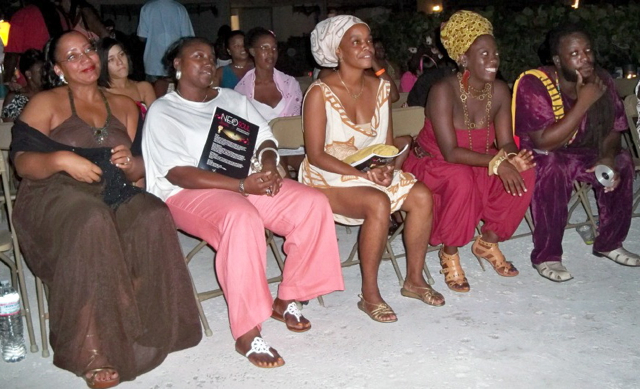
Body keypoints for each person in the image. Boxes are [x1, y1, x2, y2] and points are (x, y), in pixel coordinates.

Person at [10, 31, 202, 388]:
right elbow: (22, 163)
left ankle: (143, 326)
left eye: (87, 50)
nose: (85, 58)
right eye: (72, 56)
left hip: (112, 190)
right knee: (91, 221)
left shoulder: (125, 106)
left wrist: (131, 164)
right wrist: (61, 158)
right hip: (53, 194)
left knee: (153, 214)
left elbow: (141, 168)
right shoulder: (46, 103)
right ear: (59, 68)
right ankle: (93, 348)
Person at [142, 37, 344, 368]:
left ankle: (289, 296)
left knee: (311, 203)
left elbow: (265, 137)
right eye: (197, 57)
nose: (208, 63)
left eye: (210, 56)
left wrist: (267, 164)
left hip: (246, 181)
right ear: (177, 65)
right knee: (242, 217)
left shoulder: (231, 99)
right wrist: (239, 185)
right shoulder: (164, 110)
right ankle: (247, 331)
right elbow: (177, 174)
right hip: (189, 194)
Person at [301, 16, 443, 323]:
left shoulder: (381, 87)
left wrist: (386, 168)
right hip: (328, 175)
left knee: (421, 195)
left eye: (368, 40)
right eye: (356, 41)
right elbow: (315, 155)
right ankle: (370, 295)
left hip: (370, 168)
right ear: (337, 51)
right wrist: (364, 175)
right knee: (377, 203)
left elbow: (387, 143)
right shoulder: (319, 93)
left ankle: (414, 281)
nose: (367, 47)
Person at [402, 11, 535, 293]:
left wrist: (512, 157)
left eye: (495, 53)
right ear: (463, 59)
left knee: (528, 173)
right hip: (434, 164)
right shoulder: (443, 91)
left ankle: (488, 241)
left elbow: (505, 142)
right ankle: (449, 252)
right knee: (461, 178)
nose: (494, 60)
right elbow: (450, 153)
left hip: (478, 160)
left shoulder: (499, 90)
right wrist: (499, 162)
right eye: (484, 54)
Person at [513, 24, 639, 281]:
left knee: (623, 161)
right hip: (544, 153)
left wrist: (607, 156)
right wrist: (584, 102)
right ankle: (547, 255)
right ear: (558, 60)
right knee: (554, 167)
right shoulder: (535, 83)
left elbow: (615, 129)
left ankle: (609, 242)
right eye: (575, 54)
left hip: (587, 151)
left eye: (588, 50)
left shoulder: (601, 80)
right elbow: (544, 142)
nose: (585, 58)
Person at [234, 27, 303, 175]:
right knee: (280, 171)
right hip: (261, 149)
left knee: (313, 170)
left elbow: (295, 124)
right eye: (264, 48)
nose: (271, 53)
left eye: (274, 48)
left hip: (291, 147)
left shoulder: (290, 84)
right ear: (252, 51)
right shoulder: (241, 92)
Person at [3, 0, 67, 89]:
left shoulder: (21, 16)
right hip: (58, 77)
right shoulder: (58, 13)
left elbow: (12, 55)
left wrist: (6, 82)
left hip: (31, 84)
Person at [137, 0, 194, 96]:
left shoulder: (147, 8)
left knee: (153, 99)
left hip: (153, 64)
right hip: (176, 63)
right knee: (178, 99)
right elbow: (188, 38)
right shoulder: (179, 8)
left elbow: (141, 37)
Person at [98, 37, 156, 117]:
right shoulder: (102, 94)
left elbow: (156, 121)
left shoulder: (143, 88)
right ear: (102, 65)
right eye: (111, 59)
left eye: (121, 55)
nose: (120, 62)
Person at [2, 49, 44, 121]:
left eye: (45, 70)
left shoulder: (50, 94)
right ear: (29, 74)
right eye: (40, 71)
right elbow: (8, 128)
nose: (45, 74)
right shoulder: (15, 98)